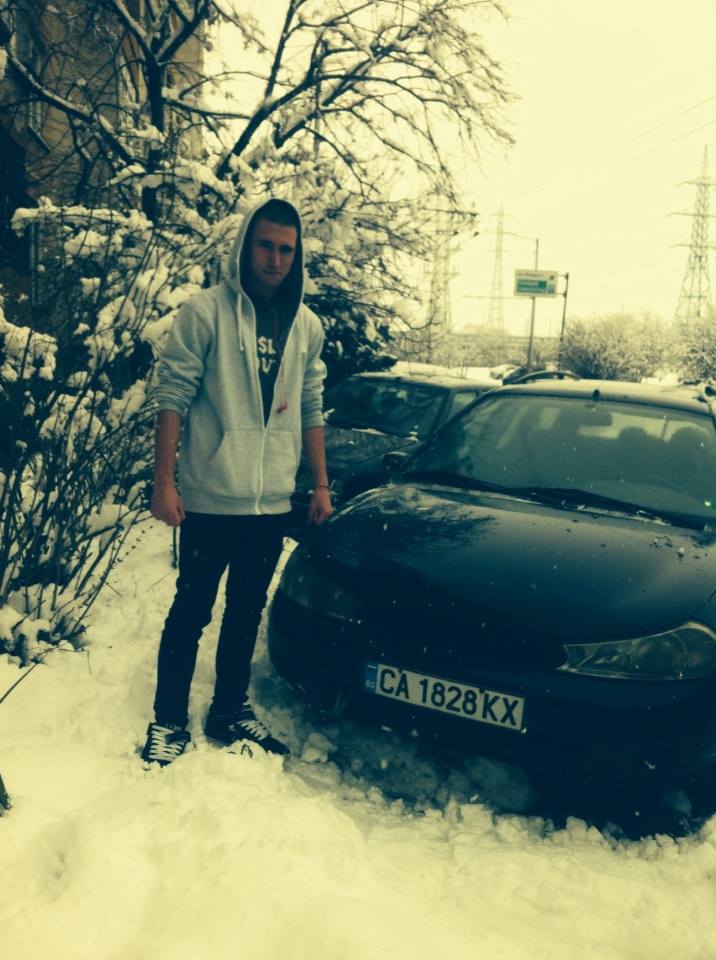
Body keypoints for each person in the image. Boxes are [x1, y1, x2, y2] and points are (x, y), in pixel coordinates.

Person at [140, 198, 332, 766]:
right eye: (265, 245)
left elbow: (312, 406)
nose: (275, 259)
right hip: (210, 496)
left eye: (286, 250)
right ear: (246, 246)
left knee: (246, 613)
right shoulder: (206, 312)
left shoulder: (306, 326)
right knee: (191, 612)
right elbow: (173, 395)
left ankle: (228, 711)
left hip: (269, 503)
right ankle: (168, 719)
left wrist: (321, 484)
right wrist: (164, 480)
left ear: (297, 257)